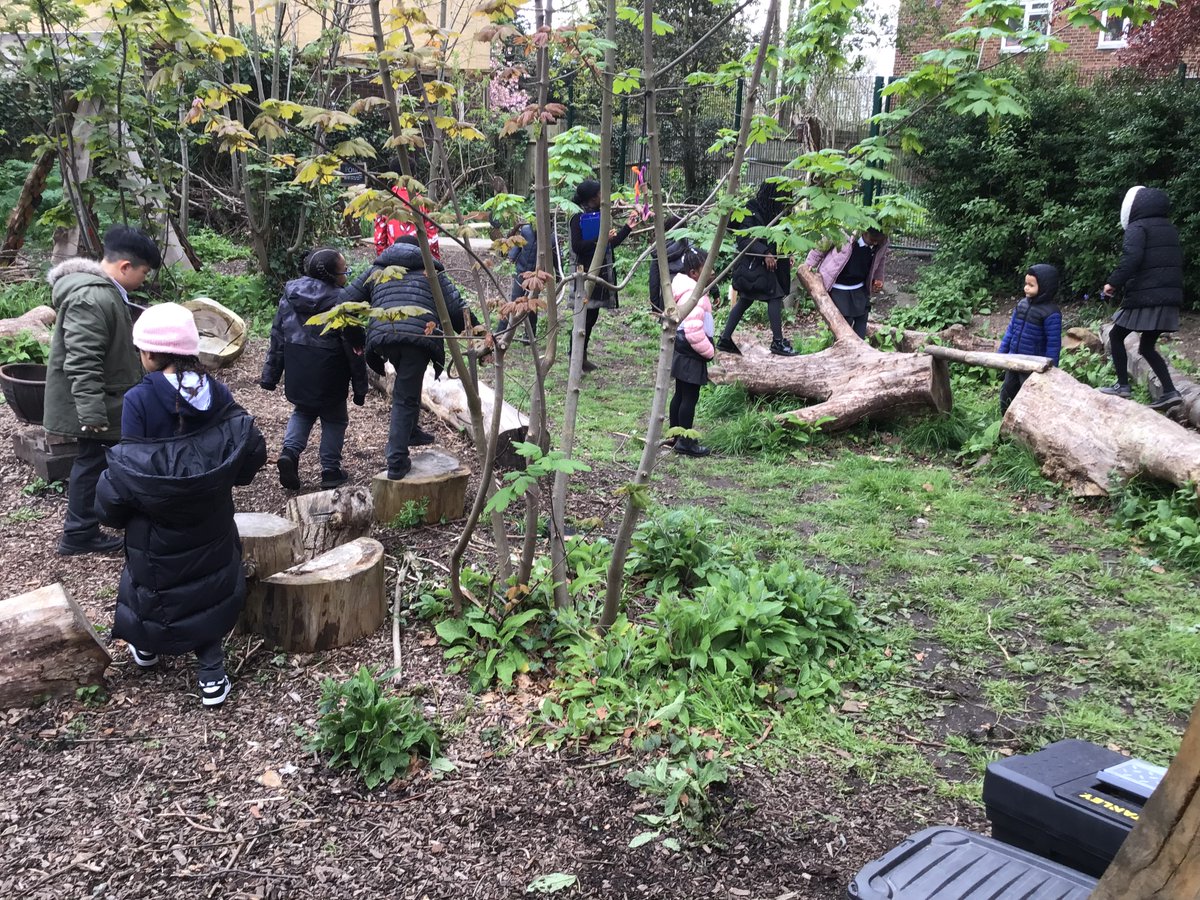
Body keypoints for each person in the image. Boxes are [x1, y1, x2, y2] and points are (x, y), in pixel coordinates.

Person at [96, 303, 267, 707]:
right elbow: (244, 449)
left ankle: (147, 648)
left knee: (149, 582)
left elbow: (132, 464)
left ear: (152, 354)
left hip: (156, 520)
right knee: (206, 585)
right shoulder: (216, 391)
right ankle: (211, 674)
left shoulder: (139, 398)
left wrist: (111, 508)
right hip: (211, 515)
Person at [44, 224, 161, 556]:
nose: (143, 280)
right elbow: (83, 358)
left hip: (105, 397)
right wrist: (92, 411)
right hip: (97, 402)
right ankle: (79, 533)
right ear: (125, 267)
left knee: (96, 461)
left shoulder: (103, 292)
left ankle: (90, 525)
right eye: (143, 272)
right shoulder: (92, 296)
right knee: (92, 462)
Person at [343, 236, 466, 480]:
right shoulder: (431, 272)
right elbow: (457, 310)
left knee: (407, 386)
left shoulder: (377, 270)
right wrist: (479, 334)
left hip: (386, 338)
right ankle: (397, 461)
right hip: (416, 338)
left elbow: (344, 304)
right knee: (405, 397)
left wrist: (357, 337)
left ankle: (410, 432)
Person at [260, 248, 367, 490]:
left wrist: (270, 376)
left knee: (303, 411)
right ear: (331, 275)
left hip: (298, 367)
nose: (347, 275)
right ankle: (330, 471)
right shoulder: (343, 302)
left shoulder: (289, 295)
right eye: (344, 270)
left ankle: (289, 453)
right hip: (331, 370)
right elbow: (355, 347)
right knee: (335, 419)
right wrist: (360, 387)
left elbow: (277, 336)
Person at [1099, 186, 1184, 411]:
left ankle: (1122, 386)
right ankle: (1170, 392)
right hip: (1168, 296)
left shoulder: (1138, 227)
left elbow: (1132, 258)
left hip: (1147, 295)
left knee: (1116, 336)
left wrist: (1113, 282)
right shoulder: (1169, 228)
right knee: (1146, 347)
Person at [568, 178, 640, 371]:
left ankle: (581, 358)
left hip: (599, 273)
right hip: (584, 274)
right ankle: (574, 357)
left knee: (591, 318)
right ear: (592, 197)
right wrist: (600, 239)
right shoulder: (577, 217)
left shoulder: (599, 214)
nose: (604, 196)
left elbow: (608, 244)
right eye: (601, 193)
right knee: (582, 318)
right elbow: (578, 247)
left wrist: (627, 228)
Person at [718, 181, 796, 357]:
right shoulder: (751, 210)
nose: (787, 201)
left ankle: (724, 339)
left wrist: (787, 253)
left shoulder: (777, 213)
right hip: (753, 265)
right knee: (774, 297)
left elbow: (780, 237)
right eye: (783, 196)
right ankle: (777, 342)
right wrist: (765, 253)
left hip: (765, 268)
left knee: (745, 300)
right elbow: (743, 240)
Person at [668, 243, 716, 458]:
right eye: (707, 269)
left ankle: (675, 435)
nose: (712, 272)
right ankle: (685, 441)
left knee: (680, 394)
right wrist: (709, 351)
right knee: (689, 397)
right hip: (691, 351)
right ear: (694, 273)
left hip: (682, 350)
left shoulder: (688, 289)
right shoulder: (693, 296)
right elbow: (693, 330)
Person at [998, 264, 1062, 414]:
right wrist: (1001, 352)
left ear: (1045, 287)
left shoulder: (1051, 313)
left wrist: (1052, 369)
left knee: (1028, 396)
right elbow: (1010, 331)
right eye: (1026, 284)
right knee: (1007, 391)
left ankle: (1027, 423)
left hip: (1033, 365)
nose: (1026, 288)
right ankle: (1004, 420)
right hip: (1014, 360)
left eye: (1031, 285)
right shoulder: (1021, 305)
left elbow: (1053, 344)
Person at [805, 227, 890, 338]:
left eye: (877, 242)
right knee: (845, 321)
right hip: (839, 285)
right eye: (872, 240)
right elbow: (822, 246)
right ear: (864, 232)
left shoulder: (882, 241)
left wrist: (878, 278)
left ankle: (860, 347)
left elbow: (881, 259)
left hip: (859, 286)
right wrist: (809, 264)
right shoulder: (844, 232)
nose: (874, 244)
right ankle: (841, 346)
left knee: (862, 317)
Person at [498, 219, 558, 343]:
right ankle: (501, 332)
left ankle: (530, 335)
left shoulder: (551, 238)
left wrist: (558, 274)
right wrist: (511, 257)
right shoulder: (525, 231)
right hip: (521, 272)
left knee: (531, 304)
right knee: (514, 301)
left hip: (537, 277)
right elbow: (518, 246)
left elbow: (556, 257)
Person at [648, 215, 688, 314]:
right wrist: (714, 292)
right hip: (688, 297)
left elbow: (654, 283)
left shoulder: (659, 253)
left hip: (667, 298)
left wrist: (655, 308)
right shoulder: (689, 248)